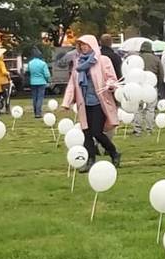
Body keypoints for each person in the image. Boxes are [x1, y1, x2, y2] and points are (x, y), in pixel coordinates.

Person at [62, 35, 121, 170]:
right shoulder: (78, 63)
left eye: (86, 45)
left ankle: (114, 152)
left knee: (97, 132)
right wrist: (66, 102)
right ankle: (90, 160)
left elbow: (112, 78)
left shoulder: (102, 60)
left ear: (92, 45)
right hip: (84, 103)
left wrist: (111, 84)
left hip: (99, 102)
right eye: (81, 45)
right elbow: (72, 83)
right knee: (86, 133)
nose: (83, 47)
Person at [25, 48, 51, 118]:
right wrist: (48, 80)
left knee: (34, 98)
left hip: (33, 82)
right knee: (40, 98)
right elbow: (47, 74)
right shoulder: (43, 63)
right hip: (42, 82)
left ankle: (35, 112)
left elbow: (27, 71)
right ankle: (38, 113)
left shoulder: (30, 63)